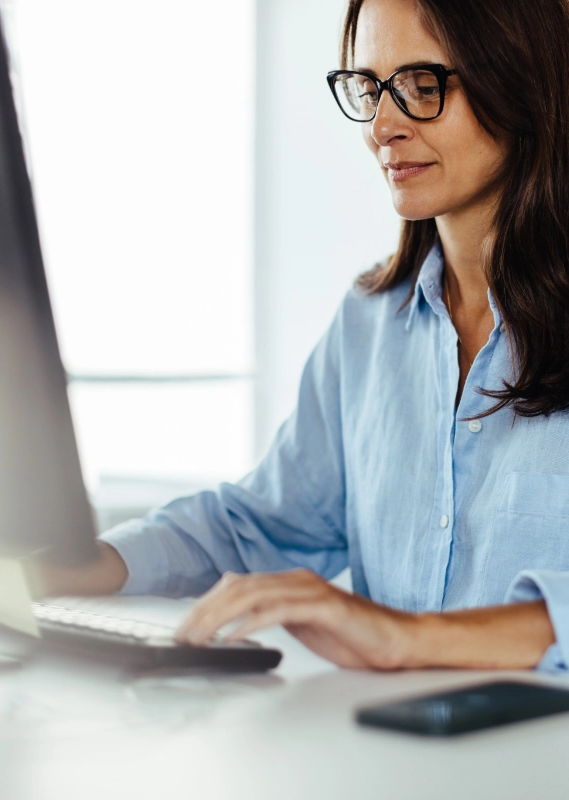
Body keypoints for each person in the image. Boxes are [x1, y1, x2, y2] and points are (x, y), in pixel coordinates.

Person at [34, 0, 569, 672]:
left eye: (421, 86)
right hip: (400, 762)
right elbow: (262, 524)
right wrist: (79, 567)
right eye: (368, 87)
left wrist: (406, 638)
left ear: (522, 81)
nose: (382, 126)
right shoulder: (370, 324)